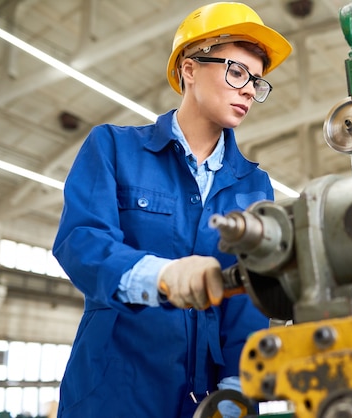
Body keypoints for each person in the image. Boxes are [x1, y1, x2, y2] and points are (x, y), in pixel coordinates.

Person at [52, 3, 292, 417]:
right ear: (190, 68)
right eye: (238, 72)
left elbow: (249, 295)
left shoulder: (254, 184)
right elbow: (82, 242)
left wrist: (237, 390)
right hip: (114, 391)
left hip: (205, 396)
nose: (250, 89)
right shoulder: (113, 147)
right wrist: (160, 276)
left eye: (257, 81)